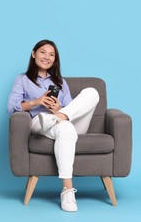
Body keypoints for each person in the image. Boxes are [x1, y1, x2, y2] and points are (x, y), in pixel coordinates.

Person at [7, 39, 99, 212]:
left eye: (51, 54)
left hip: (64, 119)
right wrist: (37, 101)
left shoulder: (61, 82)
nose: (47, 57)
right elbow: (11, 107)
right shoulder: (23, 80)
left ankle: (58, 117)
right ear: (33, 54)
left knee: (91, 92)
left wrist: (59, 109)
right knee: (64, 127)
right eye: (43, 52)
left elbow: (74, 108)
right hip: (40, 123)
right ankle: (67, 191)